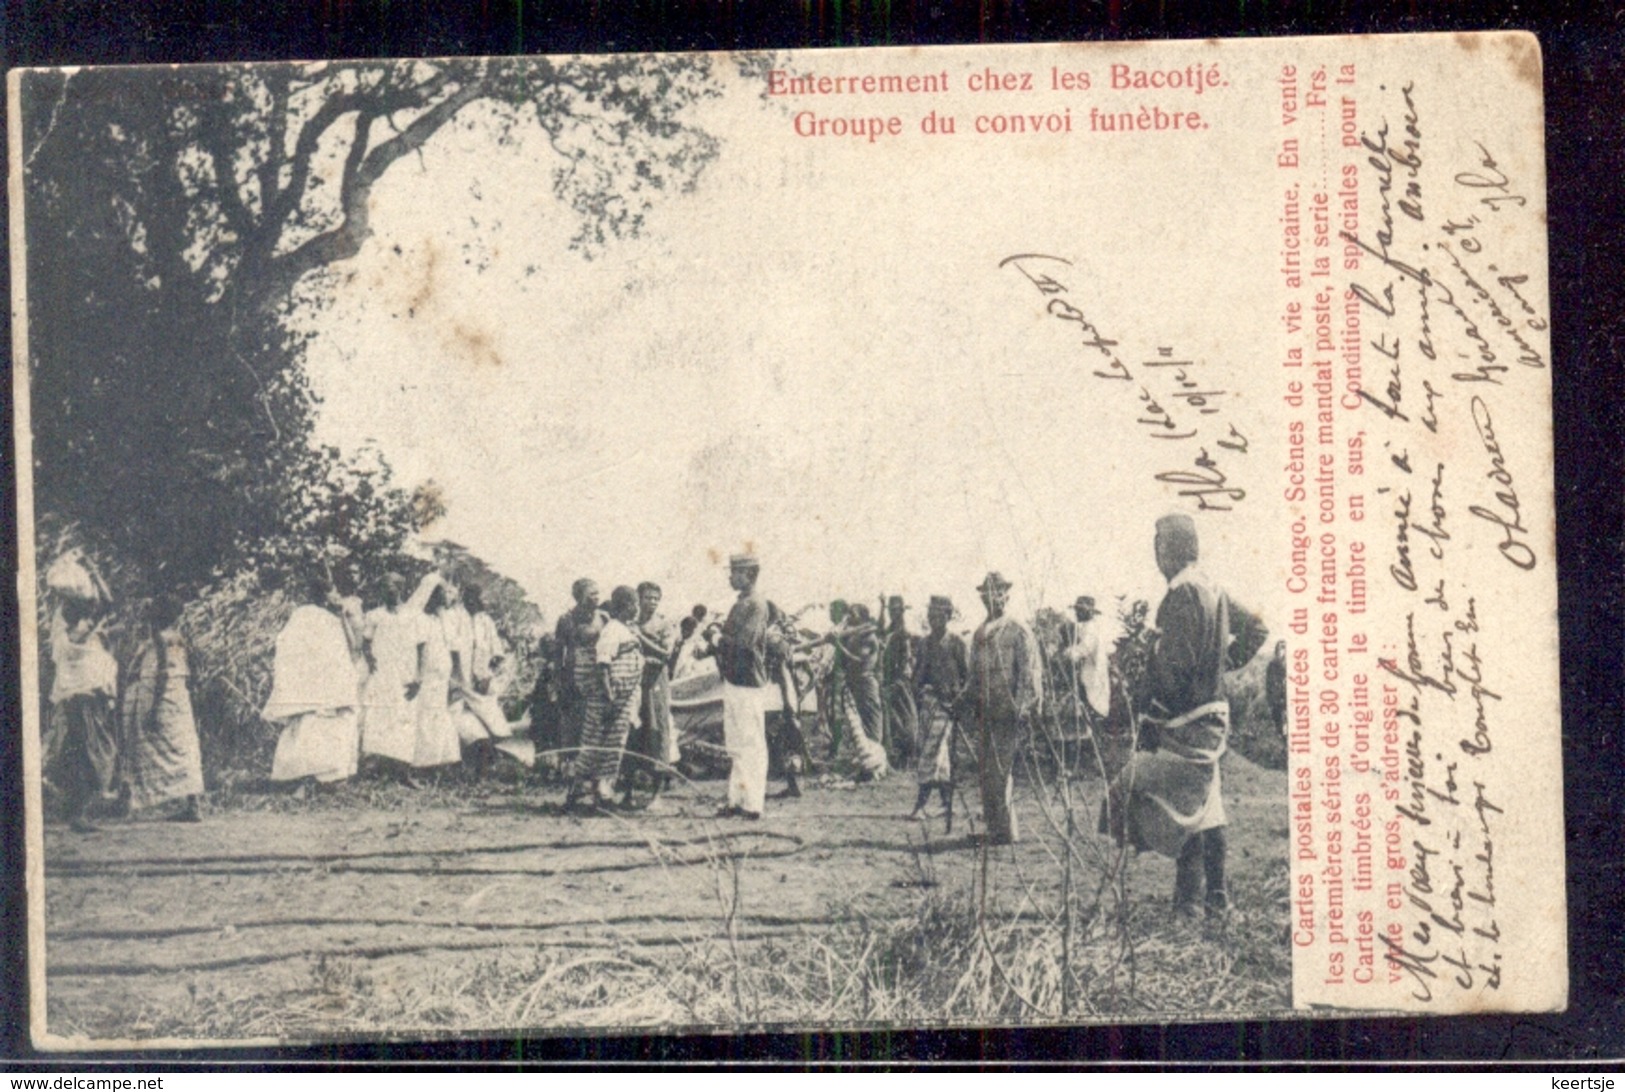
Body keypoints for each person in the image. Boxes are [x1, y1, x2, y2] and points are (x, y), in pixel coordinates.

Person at [1102, 514, 1268, 924]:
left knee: (1144, 794)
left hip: (1183, 719)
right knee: (1208, 805)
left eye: (1159, 546)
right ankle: (1213, 898)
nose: (1157, 555)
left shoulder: (1180, 595)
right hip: (1215, 716)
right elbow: (1259, 629)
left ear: (1172, 549)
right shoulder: (1214, 589)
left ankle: (1190, 904)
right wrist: (1220, 668)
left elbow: (1173, 672)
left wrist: (1150, 713)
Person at [695, 553, 784, 820]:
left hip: (747, 681)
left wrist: (715, 637)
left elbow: (744, 643)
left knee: (750, 743)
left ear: (750, 574)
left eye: (735, 572)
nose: (731, 577)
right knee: (736, 743)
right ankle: (736, 800)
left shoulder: (756, 604)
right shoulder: (744, 603)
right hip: (736, 679)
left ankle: (753, 804)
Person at [960, 571, 1041, 846]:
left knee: (1000, 771)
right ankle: (995, 828)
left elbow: (1029, 674)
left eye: (999, 592)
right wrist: (963, 699)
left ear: (1007, 595)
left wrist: (1024, 709)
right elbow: (973, 677)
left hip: (1008, 711)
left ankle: (1006, 831)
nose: (994, 598)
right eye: (988, 593)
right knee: (985, 772)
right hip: (985, 712)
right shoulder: (979, 634)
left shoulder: (1018, 630)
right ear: (983, 598)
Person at [264, 573, 364, 787]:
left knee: (334, 725)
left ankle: (332, 776)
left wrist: (343, 617)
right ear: (324, 595)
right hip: (314, 685)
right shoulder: (305, 615)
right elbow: (291, 647)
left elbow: (352, 648)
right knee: (311, 726)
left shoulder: (334, 618)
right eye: (333, 592)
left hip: (333, 683)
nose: (337, 595)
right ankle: (305, 777)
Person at [119, 594, 203, 821]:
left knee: (145, 746)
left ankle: (136, 805)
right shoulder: (178, 639)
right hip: (179, 700)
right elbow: (188, 671)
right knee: (183, 748)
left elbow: (162, 674)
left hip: (162, 698)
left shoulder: (158, 640)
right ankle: (192, 804)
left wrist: (153, 708)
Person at [44, 595, 119, 831]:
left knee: (80, 755)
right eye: (86, 618)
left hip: (74, 702)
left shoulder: (64, 641)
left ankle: (75, 811)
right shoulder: (80, 639)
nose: (90, 622)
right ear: (80, 620)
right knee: (90, 755)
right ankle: (78, 814)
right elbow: (107, 603)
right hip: (82, 703)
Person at [567, 585, 644, 812]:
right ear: (627, 606)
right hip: (608, 700)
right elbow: (603, 664)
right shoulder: (613, 630)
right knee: (593, 743)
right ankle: (578, 793)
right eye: (635, 604)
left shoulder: (625, 629)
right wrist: (610, 697)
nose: (637, 609)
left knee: (613, 745)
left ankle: (602, 791)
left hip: (620, 699)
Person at [359, 573, 427, 778]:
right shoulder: (374, 615)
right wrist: (371, 662)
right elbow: (365, 642)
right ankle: (376, 769)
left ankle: (403, 772)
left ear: (401, 588)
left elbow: (422, 648)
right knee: (379, 718)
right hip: (383, 676)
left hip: (405, 676)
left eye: (392, 587)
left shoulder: (414, 615)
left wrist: (419, 678)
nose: (388, 591)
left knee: (404, 718)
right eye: (384, 587)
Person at [909, 595, 968, 831]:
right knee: (937, 753)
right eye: (931, 615)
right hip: (929, 703)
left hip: (948, 705)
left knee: (931, 752)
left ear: (948, 616)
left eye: (939, 615)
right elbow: (918, 674)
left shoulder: (956, 643)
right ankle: (945, 802)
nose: (934, 620)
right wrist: (917, 691)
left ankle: (920, 804)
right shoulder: (924, 644)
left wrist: (960, 701)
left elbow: (967, 675)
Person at [623, 582, 677, 808]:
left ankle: (656, 795)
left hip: (656, 685)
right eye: (647, 598)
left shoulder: (664, 624)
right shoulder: (629, 622)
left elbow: (666, 653)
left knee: (657, 733)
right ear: (639, 599)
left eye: (656, 598)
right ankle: (627, 793)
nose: (652, 602)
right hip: (635, 683)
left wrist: (641, 638)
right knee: (631, 734)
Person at [406, 573, 462, 772]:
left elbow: (451, 647)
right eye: (439, 593)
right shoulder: (420, 618)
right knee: (425, 715)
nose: (444, 597)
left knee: (439, 714)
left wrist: (453, 677)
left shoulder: (442, 619)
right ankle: (421, 763)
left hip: (441, 674)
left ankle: (439, 760)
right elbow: (420, 648)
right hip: (427, 674)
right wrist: (419, 674)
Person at [553, 579, 605, 768]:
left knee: (594, 722)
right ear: (579, 596)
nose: (597, 597)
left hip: (597, 675)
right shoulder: (566, 619)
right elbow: (558, 654)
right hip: (572, 677)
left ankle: (591, 766)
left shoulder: (603, 618)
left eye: (598, 593)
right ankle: (569, 767)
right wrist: (558, 682)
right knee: (572, 722)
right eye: (592, 594)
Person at [1062, 595, 1112, 736]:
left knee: (1091, 707)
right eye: (1077, 610)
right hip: (1092, 674)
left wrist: (1066, 653)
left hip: (1092, 676)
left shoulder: (1091, 629)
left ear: (1089, 612)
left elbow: (1083, 649)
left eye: (1081, 610)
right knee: (1090, 707)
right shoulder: (1087, 628)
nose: (1077, 613)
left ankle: (1094, 740)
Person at [880, 595, 919, 769]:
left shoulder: (903, 634)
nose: (893, 613)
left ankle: (908, 754)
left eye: (896, 610)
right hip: (888, 680)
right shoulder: (889, 632)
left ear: (902, 611)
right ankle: (897, 756)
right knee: (892, 719)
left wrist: (901, 681)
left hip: (900, 681)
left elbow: (906, 660)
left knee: (907, 718)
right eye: (891, 610)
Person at [1266, 639, 1288, 735]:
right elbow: (1269, 683)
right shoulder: (1272, 665)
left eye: (1284, 648)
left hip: (1286, 697)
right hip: (1276, 698)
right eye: (1279, 648)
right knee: (1278, 720)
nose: (1281, 650)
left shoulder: (1288, 664)